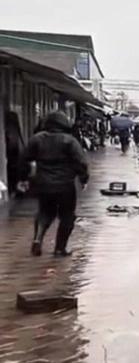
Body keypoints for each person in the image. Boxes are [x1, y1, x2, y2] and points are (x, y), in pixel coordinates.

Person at [20, 110, 89, 257]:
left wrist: (24, 178)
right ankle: (59, 249)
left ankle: (37, 239)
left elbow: (25, 159)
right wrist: (83, 179)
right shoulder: (69, 140)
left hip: (43, 184)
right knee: (67, 216)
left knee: (44, 212)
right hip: (65, 185)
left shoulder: (37, 139)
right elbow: (80, 163)